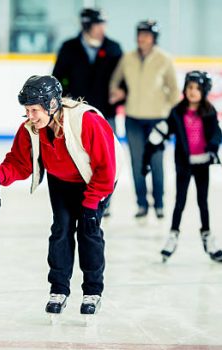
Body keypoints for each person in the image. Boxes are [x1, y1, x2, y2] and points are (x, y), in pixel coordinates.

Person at [0, 75, 122, 317]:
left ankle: (92, 292)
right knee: (61, 230)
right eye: (27, 110)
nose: (30, 116)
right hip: (61, 181)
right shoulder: (31, 129)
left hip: (94, 180)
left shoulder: (87, 122)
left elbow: (106, 168)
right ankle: (59, 289)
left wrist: (91, 203)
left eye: (34, 110)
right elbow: (19, 163)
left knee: (88, 230)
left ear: (52, 105)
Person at [142, 71, 222, 263]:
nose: (193, 92)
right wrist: (147, 155)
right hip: (184, 164)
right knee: (180, 202)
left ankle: (208, 236)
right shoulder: (177, 112)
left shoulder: (209, 112)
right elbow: (163, 130)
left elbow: (216, 133)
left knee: (203, 203)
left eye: (197, 88)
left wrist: (212, 147)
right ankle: (173, 235)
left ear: (205, 91)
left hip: (202, 163)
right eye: (190, 87)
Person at [110, 20, 179, 220]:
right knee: (137, 163)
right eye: (140, 34)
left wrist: (168, 113)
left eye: (147, 35)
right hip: (133, 118)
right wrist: (118, 91)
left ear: (154, 38)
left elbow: (174, 91)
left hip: (157, 120)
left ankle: (159, 203)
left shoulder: (164, 59)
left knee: (156, 162)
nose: (142, 38)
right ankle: (141, 204)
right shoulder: (128, 58)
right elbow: (115, 80)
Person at [52, 8, 123, 133]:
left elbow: (122, 78)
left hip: (106, 113)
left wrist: (121, 93)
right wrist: (65, 98)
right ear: (86, 25)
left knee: (106, 151)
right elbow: (57, 78)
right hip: (75, 112)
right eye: (97, 24)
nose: (102, 29)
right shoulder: (68, 48)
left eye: (103, 24)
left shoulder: (113, 48)